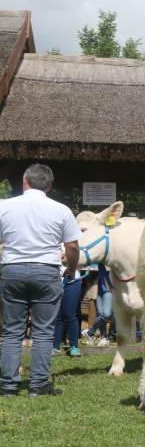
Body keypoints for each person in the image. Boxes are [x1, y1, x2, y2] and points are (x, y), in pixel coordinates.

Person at [0, 164, 80, 396]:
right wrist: (72, 270)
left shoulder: (4, 206)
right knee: (44, 331)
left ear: (24, 181)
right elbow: (72, 246)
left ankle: (8, 385)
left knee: (11, 331)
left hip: (12, 270)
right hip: (46, 271)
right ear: (50, 186)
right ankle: (38, 385)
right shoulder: (62, 210)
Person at [53, 253, 83, 357]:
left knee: (70, 314)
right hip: (54, 281)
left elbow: (81, 259)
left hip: (72, 280)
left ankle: (74, 347)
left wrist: (68, 260)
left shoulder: (73, 239)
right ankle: (55, 347)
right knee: (58, 315)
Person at [82, 264, 113, 346]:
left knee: (106, 314)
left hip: (109, 288)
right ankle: (104, 338)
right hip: (97, 288)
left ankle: (90, 332)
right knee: (101, 314)